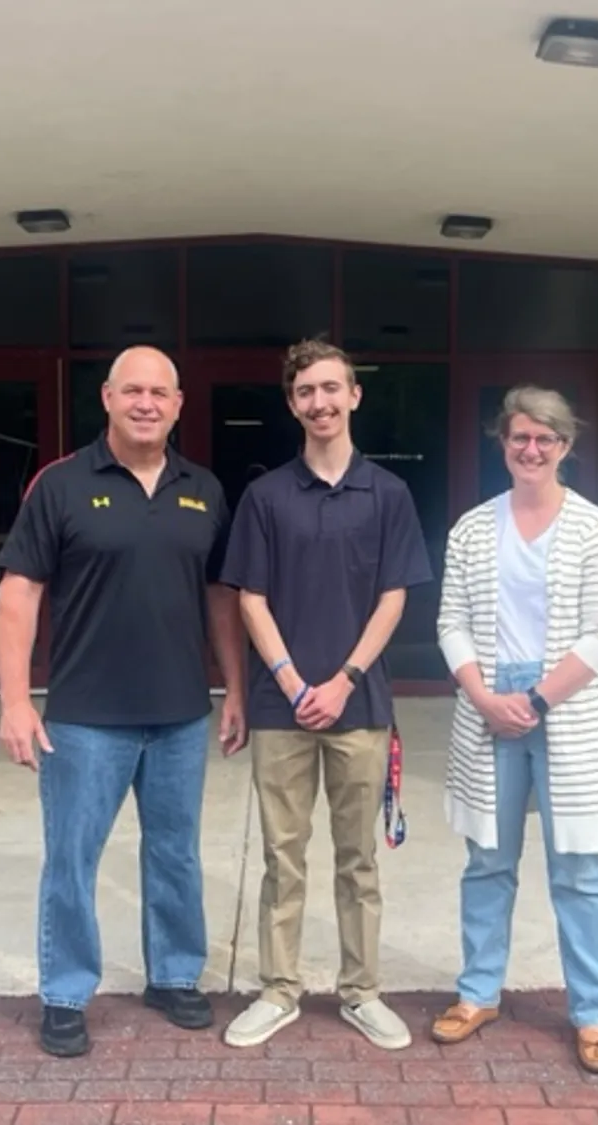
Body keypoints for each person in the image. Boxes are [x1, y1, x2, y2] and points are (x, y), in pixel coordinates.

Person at [0, 345, 248, 1058]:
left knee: (176, 854)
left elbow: (221, 596)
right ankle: (66, 992)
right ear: (106, 397)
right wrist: (16, 701)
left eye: (159, 392)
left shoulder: (204, 487)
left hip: (180, 714)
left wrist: (235, 688)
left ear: (178, 403)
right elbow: (18, 595)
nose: (145, 403)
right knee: (71, 858)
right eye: (132, 390)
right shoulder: (62, 484)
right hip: (83, 718)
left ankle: (173, 974)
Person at [217, 339, 432, 1051]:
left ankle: (361, 990)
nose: (321, 402)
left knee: (356, 858)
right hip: (283, 708)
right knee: (284, 856)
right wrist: (289, 680)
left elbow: (394, 597)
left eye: (331, 388)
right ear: (292, 403)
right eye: (306, 391)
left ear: (355, 395)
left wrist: (341, 681)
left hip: (359, 707)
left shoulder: (388, 494)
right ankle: (279, 989)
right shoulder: (266, 495)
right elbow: (250, 597)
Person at [430, 385, 598, 1075]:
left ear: (566, 446)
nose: (532, 448)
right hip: (488, 708)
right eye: (520, 437)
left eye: (546, 438)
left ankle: (591, 1011)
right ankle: (478, 991)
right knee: (487, 859)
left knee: (578, 868)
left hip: (565, 708)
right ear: (503, 444)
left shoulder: (593, 528)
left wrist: (535, 701)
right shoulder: (472, 528)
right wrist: (484, 695)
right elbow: (449, 620)